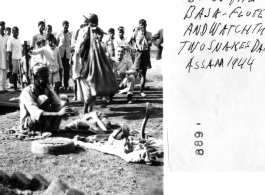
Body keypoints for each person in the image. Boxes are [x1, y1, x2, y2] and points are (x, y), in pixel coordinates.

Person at [19, 64, 73, 132]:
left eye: (47, 77)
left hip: (42, 122)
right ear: (36, 78)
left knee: (64, 100)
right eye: (44, 77)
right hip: (29, 124)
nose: (47, 80)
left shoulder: (46, 89)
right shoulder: (27, 92)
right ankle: (40, 129)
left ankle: (53, 129)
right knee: (43, 98)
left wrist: (67, 110)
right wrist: (58, 113)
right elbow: (36, 113)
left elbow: (58, 103)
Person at [129, 19, 152, 97]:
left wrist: (144, 35)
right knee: (134, 73)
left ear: (146, 25)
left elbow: (149, 44)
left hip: (145, 54)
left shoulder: (149, 34)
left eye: (144, 24)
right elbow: (129, 42)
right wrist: (133, 47)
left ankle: (141, 91)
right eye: (141, 25)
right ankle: (129, 90)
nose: (143, 26)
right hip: (138, 54)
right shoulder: (135, 33)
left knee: (143, 74)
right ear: (139, 25)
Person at [56, 20, 72, 90]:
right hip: (60, 54)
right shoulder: (59, 34)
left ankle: (66, 85)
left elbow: (71, 44)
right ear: (62, 26)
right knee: (60, 70)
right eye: (65, 25)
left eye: (67, 25)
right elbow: (56, 44)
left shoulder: (70, 34)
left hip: (67, 54)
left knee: (67, 70)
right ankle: (59, 85)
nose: (66, 26)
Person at [7, 26, 23, 90]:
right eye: (15, 31)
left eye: (17, 31)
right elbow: (9, 52)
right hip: (14, 59)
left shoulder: (19, 40)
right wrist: (10, 63)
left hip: (20, 58)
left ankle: (21, 87)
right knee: (14, 74)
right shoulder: (10, 40)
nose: (17, 33)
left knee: (20, 73)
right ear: (12, 32)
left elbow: (21, 50)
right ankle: (15, 87)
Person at [0, 21, 9, 94]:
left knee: (4, 72)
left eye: (3, 26)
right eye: (1, 26)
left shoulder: (7, 37)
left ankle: (3, 88)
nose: (2, 27)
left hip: (5, 57)